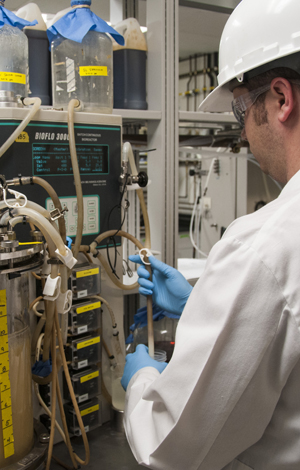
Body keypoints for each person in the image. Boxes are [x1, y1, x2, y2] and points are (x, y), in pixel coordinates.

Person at [121, 1, 300, 469]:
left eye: (242, 107)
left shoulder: (264, 249)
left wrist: (141, 381)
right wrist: (196, 302)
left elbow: (171, 450)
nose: (241, 132)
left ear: (281, 99)